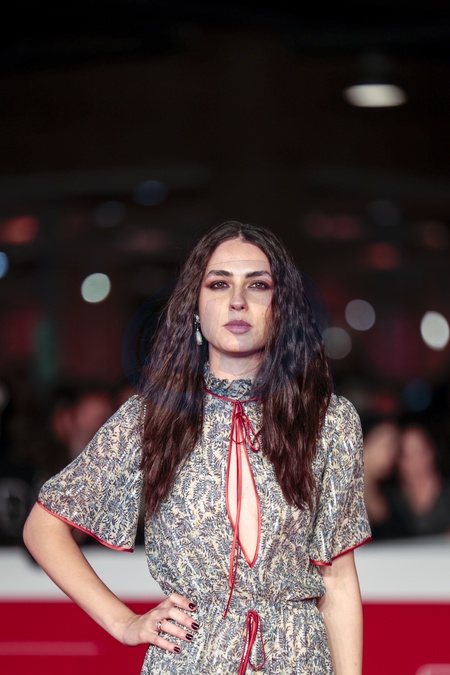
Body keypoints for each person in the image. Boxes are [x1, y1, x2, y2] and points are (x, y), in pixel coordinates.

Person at [23, 220, 371, 674]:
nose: (238, 301)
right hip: (189, 661)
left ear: (281, 306)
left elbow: (338, 582)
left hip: (300, 660)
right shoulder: (151, 420)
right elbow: (43, 529)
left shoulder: (329, 422)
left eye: (258, 285)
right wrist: (124, 622)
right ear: (194, 306)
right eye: (219, 283)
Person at [387, 422, 450, 538]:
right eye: (407, 455)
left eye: (421, 450)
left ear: (432, 452)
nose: (417, 460)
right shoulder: (389, 501)